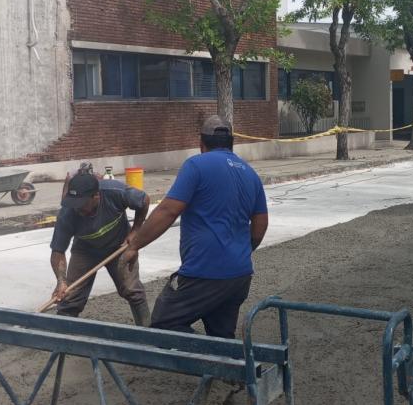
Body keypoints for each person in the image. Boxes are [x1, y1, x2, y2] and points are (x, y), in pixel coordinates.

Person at [120, 115, 268, 339]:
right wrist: (243, 250)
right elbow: (260, 225)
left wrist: (136, 244)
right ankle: (226, 365)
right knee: (222, 337)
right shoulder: (250, 173)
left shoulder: (196, 165)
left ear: (201, 144)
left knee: (163, 323)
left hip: (204, 272)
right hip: (239, 275)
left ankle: (207, 352)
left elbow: (168, 210)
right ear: (232, 143)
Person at [50, 172, 152, 325]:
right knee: (69, 297)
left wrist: (136, 230)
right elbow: (58, 252)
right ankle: (62, 342)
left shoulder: (115, 192)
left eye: (82, 204)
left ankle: (148, 332)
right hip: (85, 251)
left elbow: (144, 200)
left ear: (96, 196)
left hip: (119, 245)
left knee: (132, 290)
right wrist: (61, 281)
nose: (77, 209)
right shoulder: (67, 212)